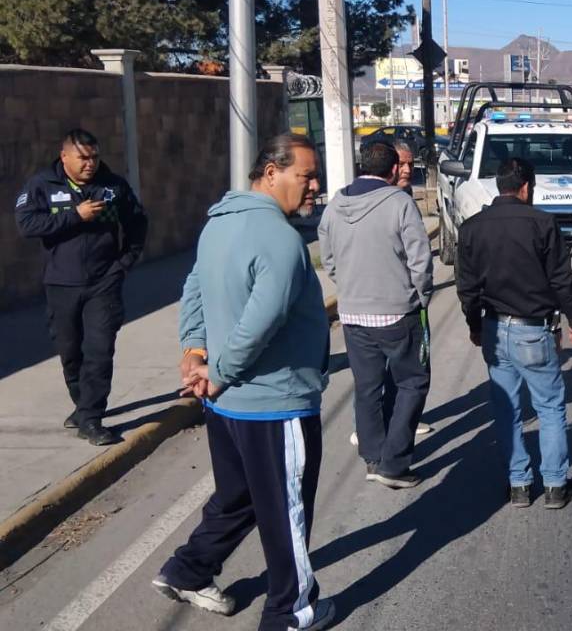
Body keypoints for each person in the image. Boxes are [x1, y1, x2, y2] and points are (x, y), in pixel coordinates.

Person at [153, 133, 335, 631]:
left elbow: (193, 287)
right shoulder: (279, 238)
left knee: (241, 497)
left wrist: (195, 351)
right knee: (286, 512)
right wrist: (216, 370)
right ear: (271, 172)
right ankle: (291, 612)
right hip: (272, 405)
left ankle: (189, 570)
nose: (315, 185)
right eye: (307, 175)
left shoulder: (219, 222)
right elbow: (262, 320)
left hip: (230, 406)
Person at [455, 158, 572, 510]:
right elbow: (561, 280)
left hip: (496, 329)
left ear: (500, 186)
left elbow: (467, 289)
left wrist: (475, 326)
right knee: (549, 407)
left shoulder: (472, 228)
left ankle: (519, 486)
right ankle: (556, 485)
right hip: (533, 331)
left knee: (507, 409)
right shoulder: (543, 223)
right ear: (526, 187)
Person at [14, 128, 148, 446]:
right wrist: (75, 215)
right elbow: (26, 224)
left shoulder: (113, 187)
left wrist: (123, 264)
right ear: (65, 157)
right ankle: (82, 405)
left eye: (95, 157)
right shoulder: (43, 185)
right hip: (61, 284)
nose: (90, 163)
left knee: (99, 351)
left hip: (104, 282)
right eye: (83, 158)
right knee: (70, 353)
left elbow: (138, 223)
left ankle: (91, 417)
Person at [318, 143, 433, 488]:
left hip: (353, 313)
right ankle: (394, 464)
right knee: (412, 382)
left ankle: (372, 458)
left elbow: (328, 258)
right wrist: (421, 295)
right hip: (398, 311)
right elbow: (420, 261)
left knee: (367, 388)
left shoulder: (335, 204)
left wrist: (349, 286)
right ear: (393, 168)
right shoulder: (400, 203)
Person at [394, 139, 434, 437]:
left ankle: (402, 418)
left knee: (412, 365)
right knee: (384, 372)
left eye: (410, 163)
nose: (407, 169)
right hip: (392, 300)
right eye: (401, 163)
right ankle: (375, 427)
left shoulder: (405, 194)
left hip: (409, 298)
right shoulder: (377, 198)